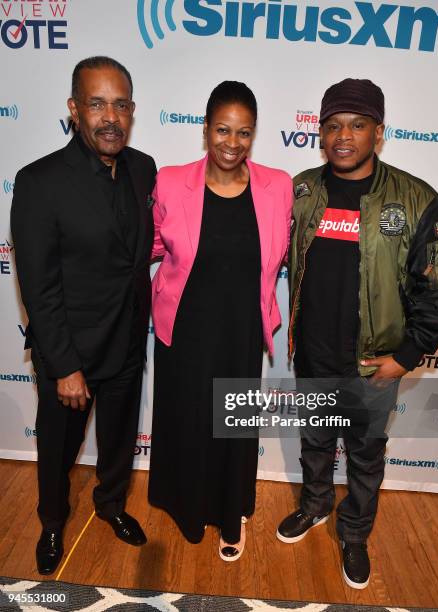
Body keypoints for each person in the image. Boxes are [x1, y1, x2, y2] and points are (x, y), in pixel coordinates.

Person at [277, 78, 438, 588]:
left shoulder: (417, 198)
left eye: (357, 125)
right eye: (333, 126)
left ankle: (354, 533)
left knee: (365, 455)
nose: (344, 136)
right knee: (314, 441)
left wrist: (405, 356)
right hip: (313, 355)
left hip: (374, 365)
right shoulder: (302, 190)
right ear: (320, 132)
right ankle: (314, 506)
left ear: (378, 132)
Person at [11, 56, 157, 575]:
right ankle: (52, 521)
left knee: (118, 444)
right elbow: (38, 285)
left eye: (120, 104)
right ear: (75, 109)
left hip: (126, 345)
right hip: (70, 355)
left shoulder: (143, 168)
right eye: (97, 104)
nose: (109, 116)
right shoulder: (38, 182)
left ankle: (112, 505)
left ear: (132, 110)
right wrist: (65, 364)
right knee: (57, 452)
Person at [148, 81, 293, 561]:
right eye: (223, 130)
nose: (233, 143)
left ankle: (232, 514)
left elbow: (284, 255)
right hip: (184, 327)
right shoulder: (170, 181)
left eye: (244, 133)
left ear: (254, 135)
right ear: (206, 129)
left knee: (232, 423)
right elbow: (148, 245)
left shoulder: (278, 186)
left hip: (240, 329)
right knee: (188, 419)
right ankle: (189, 508)